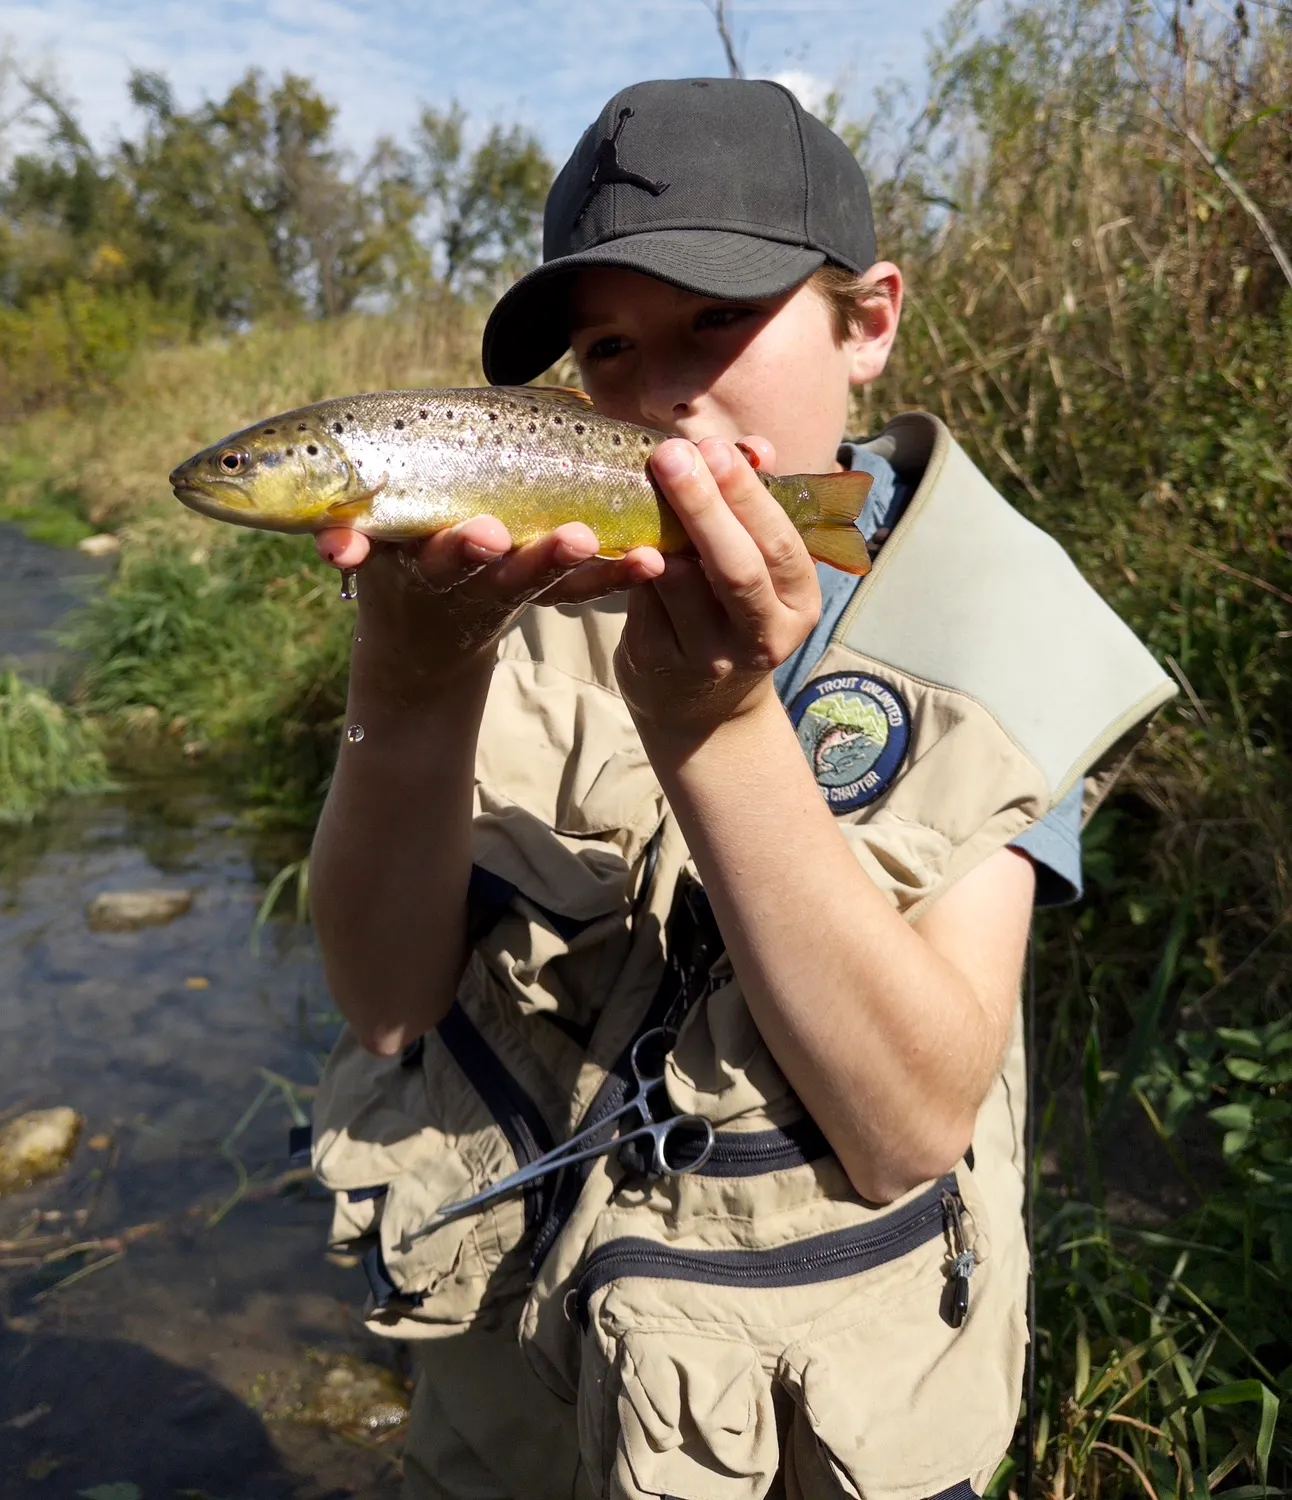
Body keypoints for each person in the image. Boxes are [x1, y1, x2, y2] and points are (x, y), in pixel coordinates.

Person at [307, 78, 1173, 1500]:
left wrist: (712, 729)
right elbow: (389, 1002)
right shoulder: (521, 593)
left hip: (800, 1441)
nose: (663, 391)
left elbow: (907, 1125)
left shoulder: (988, 628)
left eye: (719, 318)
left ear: (869, 320)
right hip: (510, 1409)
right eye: (608, 346)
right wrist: (405, 691)